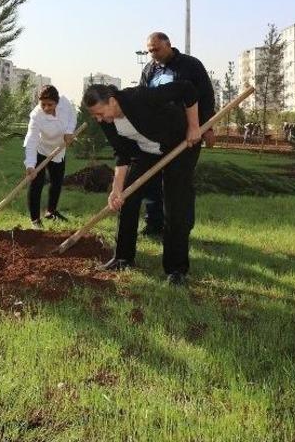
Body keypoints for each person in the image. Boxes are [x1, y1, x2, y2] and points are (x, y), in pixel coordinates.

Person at [83, 81, 202, 286]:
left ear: (111, 101)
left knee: (174, 205)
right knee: (127, 198)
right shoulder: (107, 121)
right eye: (95, 116)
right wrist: (116, 190)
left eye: (99, 113)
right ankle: (123, 257)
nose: (98, 119)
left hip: (179, 144)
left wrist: (193, 126)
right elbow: (122, 154)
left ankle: (176, 270)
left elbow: (187, 89)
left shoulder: (139, 97)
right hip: (145, 152)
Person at [137, 32, 217, 236]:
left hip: (187, 136)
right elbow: (143, 100)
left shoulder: (191, 65)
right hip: (156, 137)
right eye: (150, 51)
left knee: (179, 183)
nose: (153, 54)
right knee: (152, 180)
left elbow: (206, 98)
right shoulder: (149, 70)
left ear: (169, 45)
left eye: (157, 49)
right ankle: (154, 224)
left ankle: (180, 228)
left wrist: (205, 127)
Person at [22, 84, 77, 228]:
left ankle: (51, 212)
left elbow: (72, 116)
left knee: (57, 182)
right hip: (42, 149)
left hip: (59, 149)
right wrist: (30, 165)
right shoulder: (36, 116)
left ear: (57, 102)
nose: (46, 108)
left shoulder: (65, 103)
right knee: (36, 183)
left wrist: (70, 131)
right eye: (43, 104)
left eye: (50, 104)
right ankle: (35, 220)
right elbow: (31, 140)